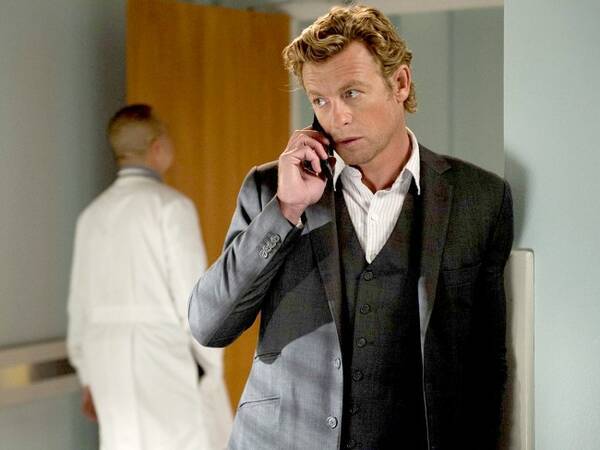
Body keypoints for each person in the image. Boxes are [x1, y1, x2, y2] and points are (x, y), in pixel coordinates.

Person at [188, 5, 513, 450]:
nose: (335, 118)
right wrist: (286, 210)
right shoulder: (272, 190)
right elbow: (209, 326)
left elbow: (487, 365)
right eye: (319, 100)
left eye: (352, 93)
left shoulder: (480, 198)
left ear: (400, 83)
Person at [67, 104, 232, 450]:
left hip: (106, 360)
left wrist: (88, 376)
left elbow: (79, 307)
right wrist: (210, 370)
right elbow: (193, 300)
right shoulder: (171, 207)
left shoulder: (91, 216)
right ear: (158, 146)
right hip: (164, 356)